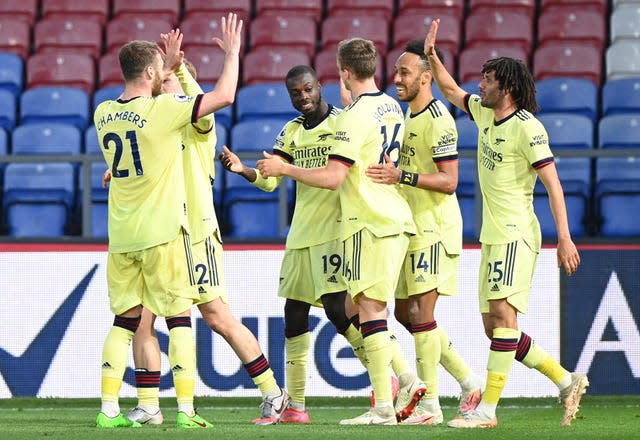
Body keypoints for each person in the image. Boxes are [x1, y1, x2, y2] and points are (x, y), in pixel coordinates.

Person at [106, 33, 290, 427]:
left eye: (171, 85)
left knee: (216, 315)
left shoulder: (198, 124)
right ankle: (149, 405)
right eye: (163, 83)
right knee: (143, 319)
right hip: (162, 232)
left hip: (196, 233)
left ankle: (273, 392)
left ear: (183, 88)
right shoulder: (158, 120)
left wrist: (184, 74)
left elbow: (207, 108)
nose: (164, 90)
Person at [423, 19, 588, 428]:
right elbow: (449, 89)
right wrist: (431, 56)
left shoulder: (527, 128)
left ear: (507, 88)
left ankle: (487, 410)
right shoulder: (482, 114)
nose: (480, 84)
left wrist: (563, 239)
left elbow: (553, 186)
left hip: (517, 234)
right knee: (495, 328)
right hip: (492, 238)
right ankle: (566, 380)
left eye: (488, 79)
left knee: (503, 318)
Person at [257, 38, 424, 426]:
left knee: (362, 310)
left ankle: (396, 393)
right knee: (361, 310)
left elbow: (333, 177)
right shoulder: (391, 106)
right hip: (382, 217)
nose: (303, 96)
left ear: (341, 73)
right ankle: (387, 394)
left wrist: (285, 170)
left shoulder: (350, 116)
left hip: (364, 220)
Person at [93, 14, 243, 428]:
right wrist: (230, 54)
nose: (164, 74)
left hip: (121, 236)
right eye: (159, 69)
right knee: (179, 318)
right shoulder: (162, 110)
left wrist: (172, 66)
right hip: (162, 233)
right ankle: (187, 412)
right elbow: (224, 97)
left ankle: (111, 411)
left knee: (125, 321)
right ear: (148, 72)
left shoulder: (102, 112)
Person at [364, 40, 483, 426]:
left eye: (405, 72)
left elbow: (450, 181)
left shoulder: (439, 119)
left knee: (422, 313)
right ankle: (467, 381)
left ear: (426, 77)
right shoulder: (405, 117)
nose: (397, 78)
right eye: (396, 71)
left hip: (435, 228)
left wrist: (403, 175)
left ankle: (430, 404)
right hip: (409, 228)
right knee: (404, 312)